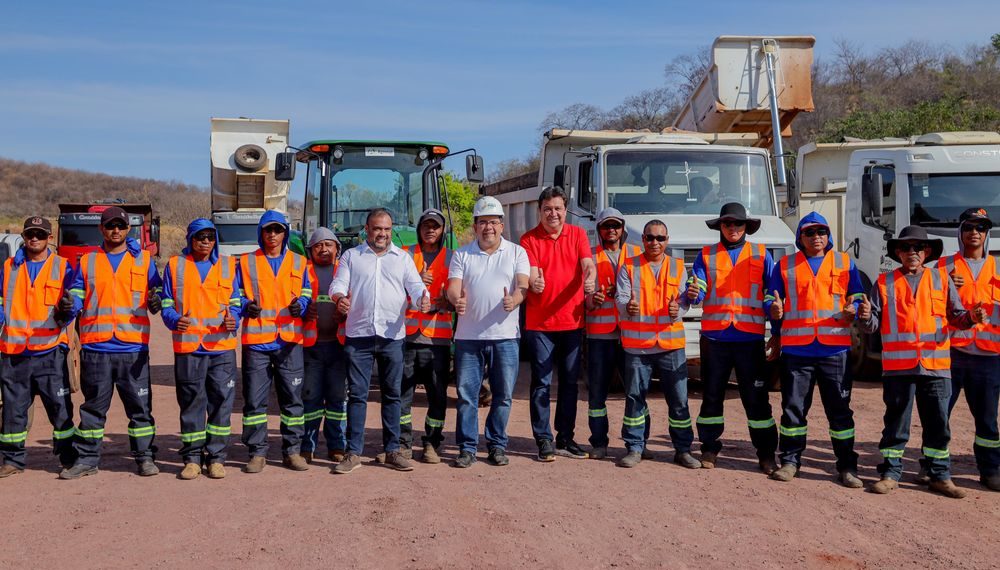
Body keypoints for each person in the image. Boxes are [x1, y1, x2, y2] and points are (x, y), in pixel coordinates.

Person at [861, 225, 984, 499]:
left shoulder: (941, 279)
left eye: (917, 247)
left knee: (938, 423)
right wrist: (865, 315)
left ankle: (940, 475)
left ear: (926, 252)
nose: (911, 252)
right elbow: (871, 327)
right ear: (898, 253)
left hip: (936, 366)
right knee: (896, 423)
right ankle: (890, 474)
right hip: (898, 368)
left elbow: (957, 317)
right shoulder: (884, 283)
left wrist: (972, 318)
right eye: (905, 248)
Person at [60, 206, 163, 479]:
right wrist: (69, 305)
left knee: (140, 410)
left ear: (128, 229)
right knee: (93, 409)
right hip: (97, 347)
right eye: (109, 226)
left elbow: (158, 293)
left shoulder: (143, 260)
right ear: (101, 229)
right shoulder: (87, 262)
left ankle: (144, 458)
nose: (115, 230)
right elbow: (76, 296)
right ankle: (86, 460)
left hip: (133, 348)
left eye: (120, 225)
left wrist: (158, 301)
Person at [765, 212, 864, 488]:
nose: (816, 237)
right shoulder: (785, 265)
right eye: (810, 232)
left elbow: (857, 296)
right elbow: (771, 299)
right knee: (793, 410)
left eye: (822, 231)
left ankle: (846, 467)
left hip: (834, 350)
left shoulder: (845, 263)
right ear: (801, 237)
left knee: (840, 412)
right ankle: (790, 462)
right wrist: (773, 314)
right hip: (798, 351)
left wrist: (853, 308)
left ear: (828, 235)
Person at [328, 208, 430, 474]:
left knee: (393, 395)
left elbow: (416, 287)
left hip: (392, 337)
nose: (382, 234)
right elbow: (338, 284)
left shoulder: (402, 259)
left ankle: (393, 451)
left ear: (390, 229)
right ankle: (353, 453)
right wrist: (340, 298)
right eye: (377, 228)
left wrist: (423, 298)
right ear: (367, 229)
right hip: (359, 336)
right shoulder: (352, 256)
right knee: (358, 396)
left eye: (386, 229)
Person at [688, 202, 778, 474]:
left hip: (749, 340)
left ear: (746, 227)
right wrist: (694, 292)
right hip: (716, 339)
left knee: (756, 398)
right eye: (727, 223)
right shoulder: (706, 255)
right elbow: (699, 286)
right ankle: (709, 448)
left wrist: (778, 331)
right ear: (720, 227)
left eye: (738, 224)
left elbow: (771, 296)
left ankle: (765, 454)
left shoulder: (762, 255)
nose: (732, 228)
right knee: (712, 397)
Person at [448, 196, 529, 468]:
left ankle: (496, 445)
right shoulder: (462, 254)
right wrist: (455, 299)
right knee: (467, 396)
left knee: (503, 395)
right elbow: (453, 286)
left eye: (493, 222)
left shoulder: (517, 252)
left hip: (505, 337)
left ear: (502, 225)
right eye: (483, 222)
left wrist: (515, 299)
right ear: (474, 226)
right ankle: (467, 448)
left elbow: (523, 284)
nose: (488, 228)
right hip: (468, 338)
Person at [615, 220, 701, 469]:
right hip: (637, 346)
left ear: (667, 240)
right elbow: (621, 298)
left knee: (679, 400)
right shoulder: (629, 266)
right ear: (642, 239)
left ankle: (683, 450)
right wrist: (626, 307)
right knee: (635, 399)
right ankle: (634, 447)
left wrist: (679, 309)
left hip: (670, 345)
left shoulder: (677, 267)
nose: (655, 242)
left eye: (660, 238)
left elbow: (685, 301)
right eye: (650, 238)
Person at [159, 219, 240, 480]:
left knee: (221, 404)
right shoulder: (175, 265)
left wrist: (234, 318)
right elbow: (167, 303)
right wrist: (173, 319)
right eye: (199, 236)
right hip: (189, 346)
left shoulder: (228, 266)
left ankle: (216, 458)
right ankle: (192, 458)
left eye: (209, 237)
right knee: (191, 404)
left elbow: (236, 302)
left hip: (221, 347)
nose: (205, 241)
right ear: (190, 239)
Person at [521, 186, 597, 461]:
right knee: (541, 382)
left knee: (569, 383)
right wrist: (534, 281)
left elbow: (588, 263)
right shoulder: (528, 239)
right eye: (547, 209)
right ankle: (544, 439)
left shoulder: (577, 234)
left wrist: (590, 275)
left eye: (557, 208)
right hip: (540, 323)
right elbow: (530, 272)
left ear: (566, 210)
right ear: (539, 211)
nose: (553, 213)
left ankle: (565, 437)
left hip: (572, 322)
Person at [236, 210, 311, 473]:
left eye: (277, 230)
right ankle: (257, 453)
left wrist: (301, 304)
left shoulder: (299, 262)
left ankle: (292, 451)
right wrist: (245, 306)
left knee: (292, 399)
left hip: (289, 341)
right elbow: (234, 295)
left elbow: (307, 291)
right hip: (257, 342)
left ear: (285, 233)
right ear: (261, 233)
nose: (272, 235)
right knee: (255, 402)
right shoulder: (246, 263)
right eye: (268, 230)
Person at [0, 217, 76, 478]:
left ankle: (67, 456)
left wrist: (69, 309)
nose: (35, 238)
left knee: (60, 408)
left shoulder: (62, 266)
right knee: (13, 410)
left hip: (50, 351)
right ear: (23, 236)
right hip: (14, 353)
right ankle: (12, 460)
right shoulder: (8, 267)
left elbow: (74, 300)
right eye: (30, 234)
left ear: (49, 237)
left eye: (40, 234)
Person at [937, 208, 1000, 492]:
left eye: (981, 228)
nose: (975, 232)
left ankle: (990, 471)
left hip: (989, 355)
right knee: (939, 414)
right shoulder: (943, 266)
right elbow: (924, 296)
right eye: (969, 227)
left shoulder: (998, 268)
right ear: (960, 232)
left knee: (987, 420)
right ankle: (934, 469)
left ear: (987, 234)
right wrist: (945, 281)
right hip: (951, 352)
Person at [584, 207, 640, 459]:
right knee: (597, 393)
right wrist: (592, 300)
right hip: (599, 335)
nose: (611, 230)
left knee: (636, 392)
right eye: (606, 226)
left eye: (616, 226)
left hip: (632, 333)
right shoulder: (590, 257)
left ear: (623, 229)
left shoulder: (637, 255)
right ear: (599, 230)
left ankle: (637, 444)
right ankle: (598, 443)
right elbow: (581, 296)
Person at [398, 209, 453, 464]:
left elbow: (459, 298)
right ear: (419, 228)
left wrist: (445, 301)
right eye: (426, 225)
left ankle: (432, 442)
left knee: (437, 394)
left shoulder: (452, 257)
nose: (431, 230)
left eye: (436, 226)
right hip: (407, 336)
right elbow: (392, 289)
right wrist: (416, 282)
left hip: (437, 339)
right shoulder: (405, 255)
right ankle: (403, 443)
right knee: (402, 394)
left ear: (442, 230)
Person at [301, 227, 348, 464]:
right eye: (318, 245)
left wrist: (346, 315)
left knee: (337, 398)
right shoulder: (302, 272)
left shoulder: (345, 271)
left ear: (337, 248)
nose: (324, 249)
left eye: (328, 244)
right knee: (310, 397)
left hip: (339, 346)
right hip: (311, 346)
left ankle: (336, 445)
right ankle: (307, 446)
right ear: (310, 250)